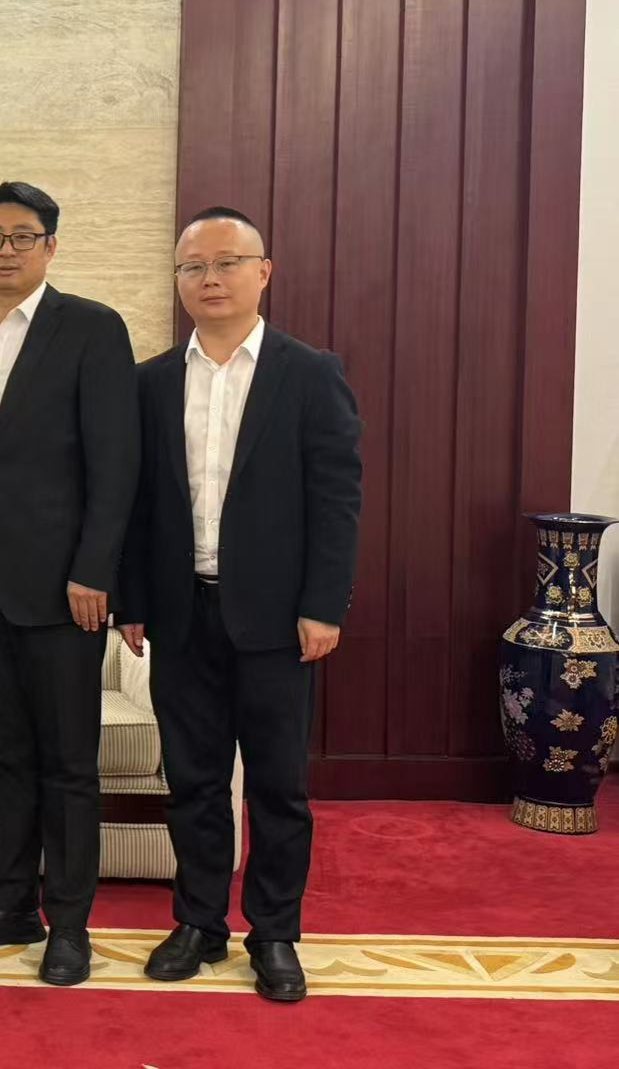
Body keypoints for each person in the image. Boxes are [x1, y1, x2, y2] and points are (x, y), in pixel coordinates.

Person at [118, 206, 362, 1004]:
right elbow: (136, 503)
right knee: (192, 782)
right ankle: (198, 923)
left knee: (278, 786)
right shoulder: (151, 382)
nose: (210, 279)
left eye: (227, 263)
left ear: (264, 272)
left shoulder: (310, 373)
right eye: (193, 267)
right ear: (179, 280)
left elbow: (337, 499)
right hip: (180, 612)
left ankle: (275, 933)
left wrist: (324, 605)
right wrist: (131, 600)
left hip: (279, 619)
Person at [0, 181, 140, 986]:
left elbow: (115, 462)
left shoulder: (91, 328)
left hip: (64, 591)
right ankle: (9, 904)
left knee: (68, 763)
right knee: (6, 756)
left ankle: (70, 923)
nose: (7, 250)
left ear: (51, 247)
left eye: (24, 236)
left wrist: (96, 570)